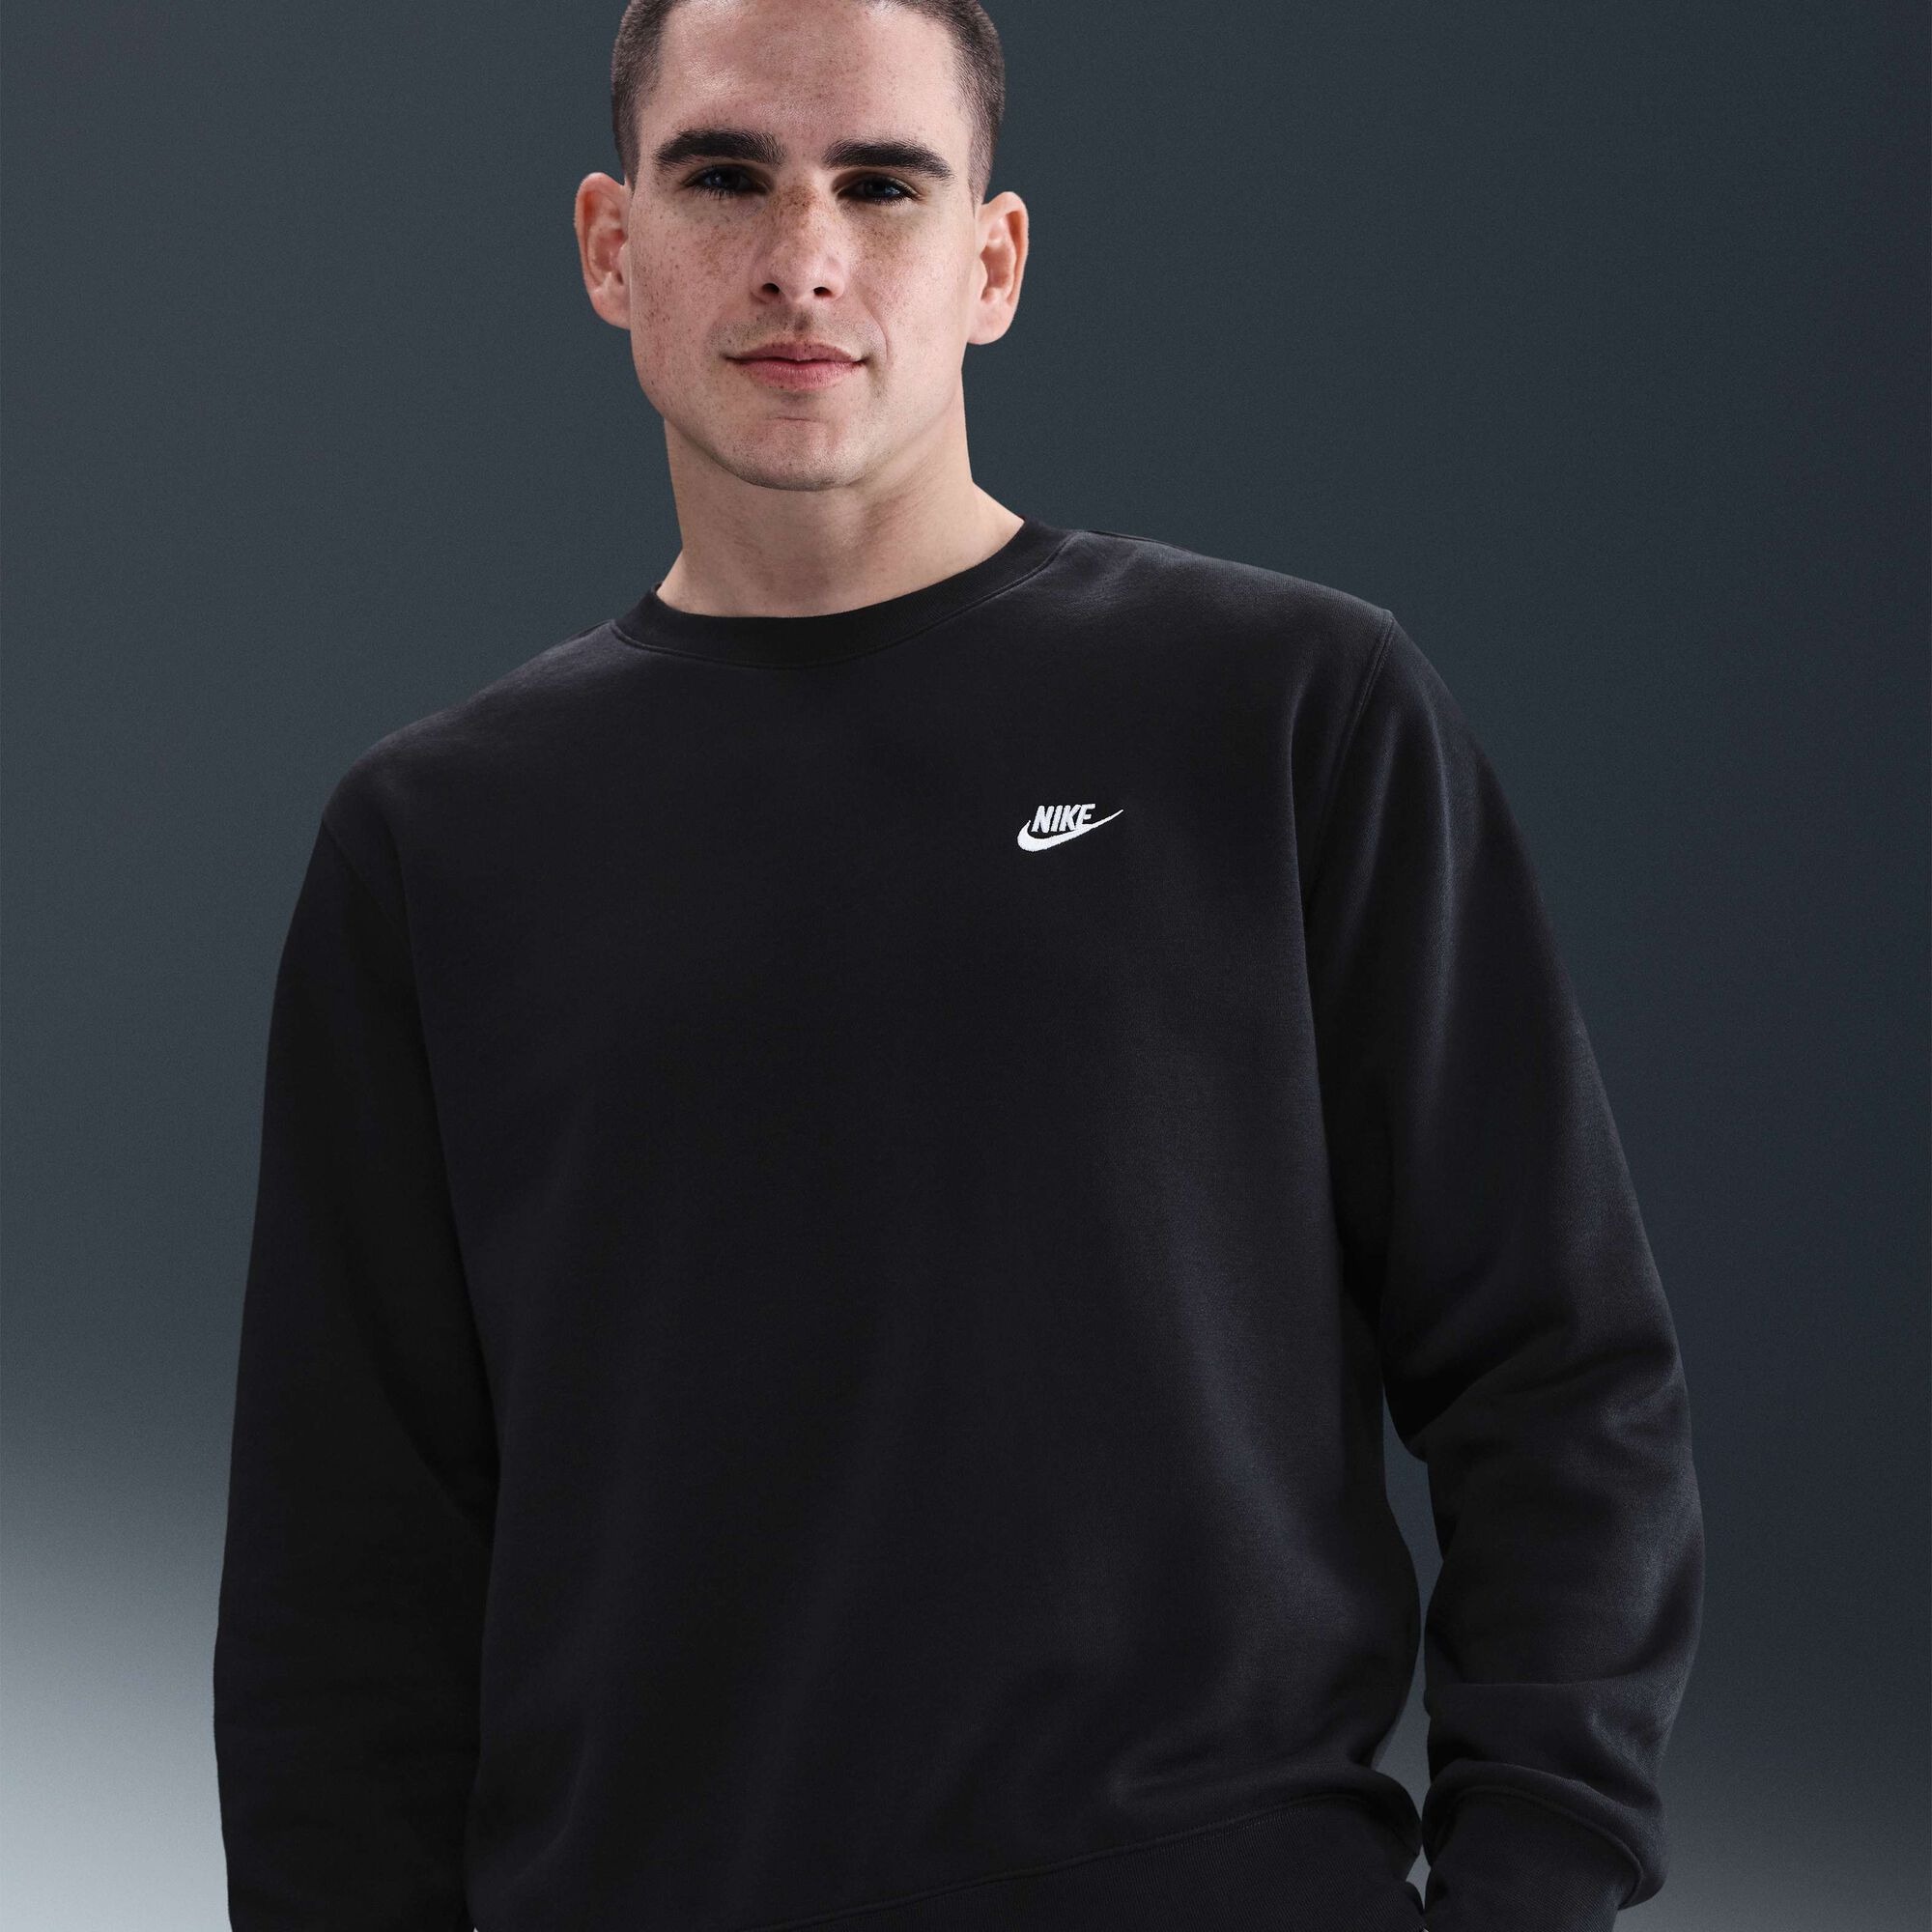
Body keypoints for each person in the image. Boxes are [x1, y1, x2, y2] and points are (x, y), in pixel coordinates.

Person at [211, 2, 1705, 1928]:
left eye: (883, 185)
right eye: (725, 176)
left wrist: (1532, 1881)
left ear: (991, 262)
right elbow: (346, 1589)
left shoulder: (1284, 713)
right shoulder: (434, 845)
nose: (802, 256)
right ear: (611, 244)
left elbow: (1560, 1377)